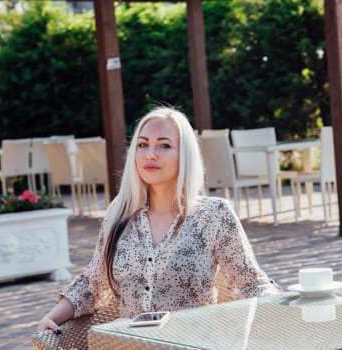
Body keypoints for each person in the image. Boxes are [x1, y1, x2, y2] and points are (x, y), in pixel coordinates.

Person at [36, 106, 281, 333]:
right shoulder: (118, 213)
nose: (150, 155)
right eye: (143, 145)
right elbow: (92, 284)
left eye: (164, 146)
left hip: (193, 343)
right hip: (129, 345)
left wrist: (285, 307)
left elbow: (251, 284)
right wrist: (51, 317)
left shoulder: (214, 215)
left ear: (184, 154)